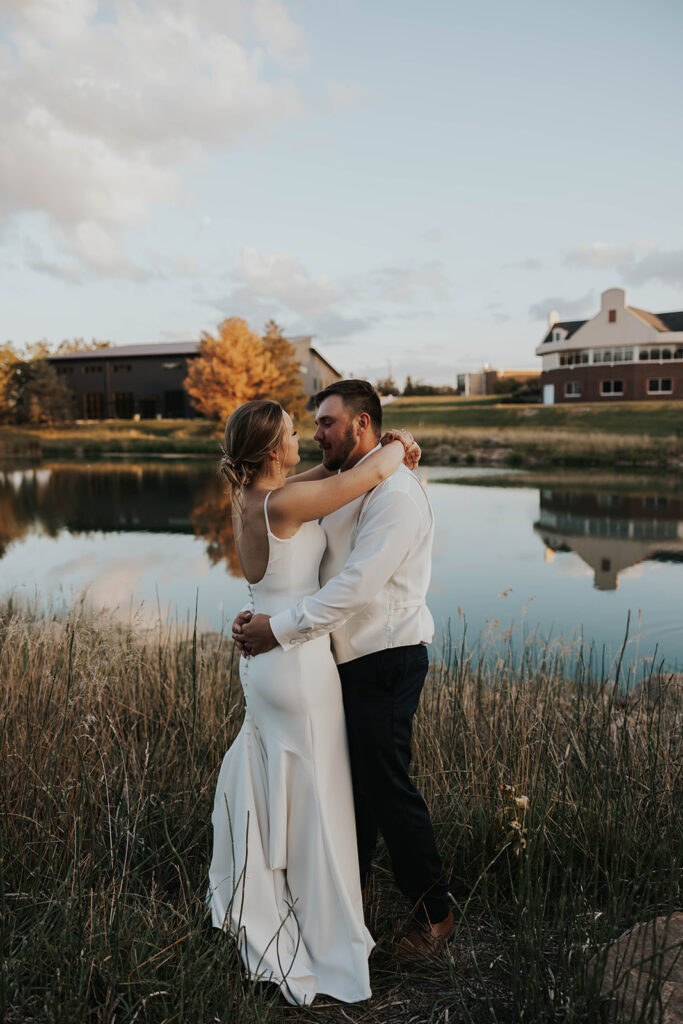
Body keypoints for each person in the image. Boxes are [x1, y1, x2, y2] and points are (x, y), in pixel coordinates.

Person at [207, 397, 418, 1006]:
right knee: (321, 796)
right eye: (297, 434)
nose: (305, 440)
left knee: (285, 779)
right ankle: (322, 928)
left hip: (263, 665)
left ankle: (274, 890)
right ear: (275, 449)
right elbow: (364, 476)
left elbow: (326, 475)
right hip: (297, 665)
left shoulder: (253, 497)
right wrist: (397, 445)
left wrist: (376, 450)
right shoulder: (287, 502)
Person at [234, 380, 454, 958]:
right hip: (332, 659)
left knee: (386, 786)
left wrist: (276, 626)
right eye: (307, 425)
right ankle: (342, 898)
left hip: (385, 655)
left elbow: (356, 586)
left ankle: (435, 911)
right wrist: (270, 611)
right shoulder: (340, 481)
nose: (314, 434)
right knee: (349, 786)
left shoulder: (396, 494)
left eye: (327, 423)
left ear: (360, 424)